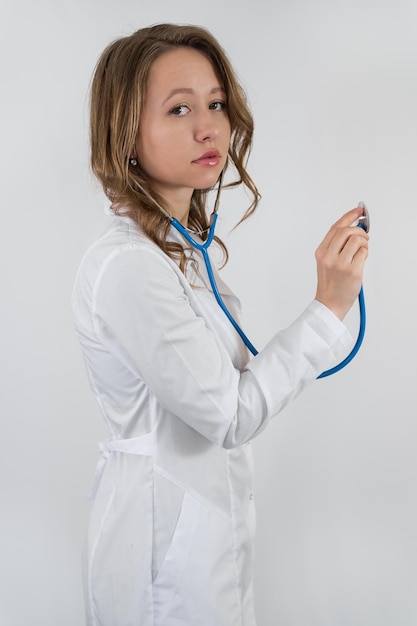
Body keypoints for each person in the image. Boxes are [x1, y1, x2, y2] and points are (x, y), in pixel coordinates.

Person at [72, 23, 369, 626]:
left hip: (193, 537)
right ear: (126, 131)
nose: (208, 127)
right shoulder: (131, 266)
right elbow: (228, 415)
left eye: (215, 104)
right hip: (162, 557)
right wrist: (328, 307)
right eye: (178, 108)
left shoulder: (174, 254)